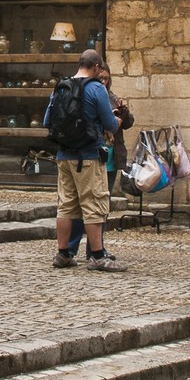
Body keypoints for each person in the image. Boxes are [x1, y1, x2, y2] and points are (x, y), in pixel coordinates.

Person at [44, 48, 125, 272]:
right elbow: (109, 124)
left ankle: (63, 254)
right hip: (89, 156)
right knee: (94, 205)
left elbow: (46, 121)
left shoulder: (60, 87)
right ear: (97, 67)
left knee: (66, 206)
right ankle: (98, 256)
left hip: (63, 155)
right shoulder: (96, 88)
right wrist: (117, 120)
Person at [67, 62, 132, 259]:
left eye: (106, 78)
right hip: (91, 155)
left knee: (103, 206)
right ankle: (71, 247)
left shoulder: (112, 98)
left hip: (111, 157)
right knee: (82, 204)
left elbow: (127, 124)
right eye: (101, 77)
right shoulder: (89, 95)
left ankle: (96, 249)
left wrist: (124, 113)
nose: (103, 81)